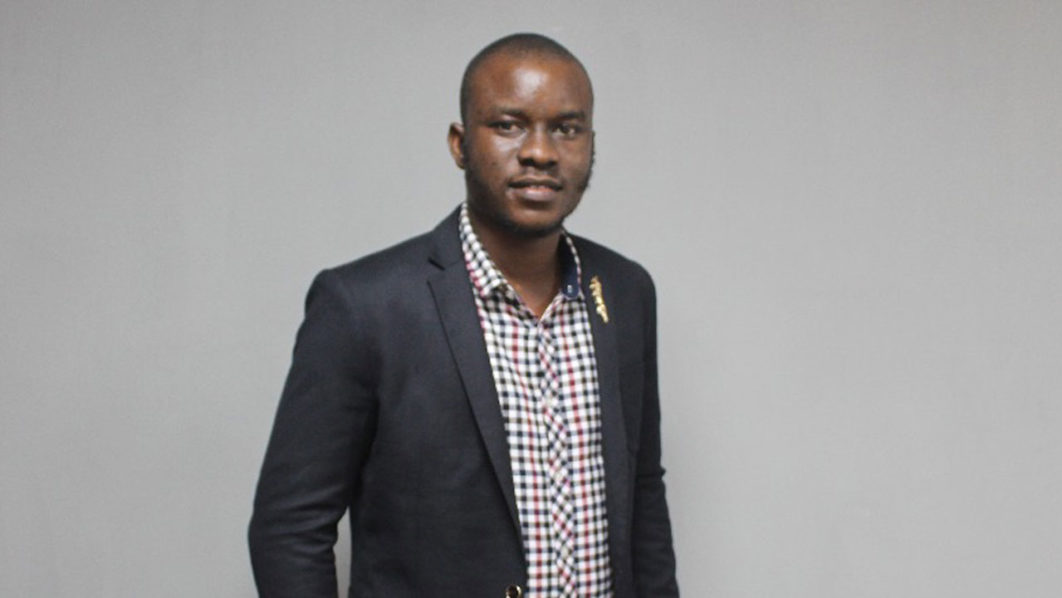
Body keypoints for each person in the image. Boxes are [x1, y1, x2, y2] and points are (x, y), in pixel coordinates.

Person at [249, 33, 679, 598]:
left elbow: (642, 489)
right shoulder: (363, 306)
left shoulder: (624, 292)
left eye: (566, 129)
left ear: (591, 145)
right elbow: (289, 528)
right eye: (509, 125)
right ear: (459, 144)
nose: (540, 152)